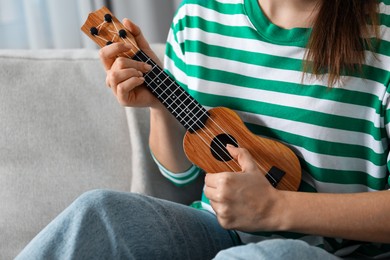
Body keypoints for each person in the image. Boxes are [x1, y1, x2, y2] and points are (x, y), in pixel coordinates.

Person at [16, 0, 390, 259]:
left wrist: (277, 209)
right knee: (99, 211)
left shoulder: (382, 36)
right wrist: (161, 107)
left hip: (334, 252)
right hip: (215, 231)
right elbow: (182, 176)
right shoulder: (197, 18)